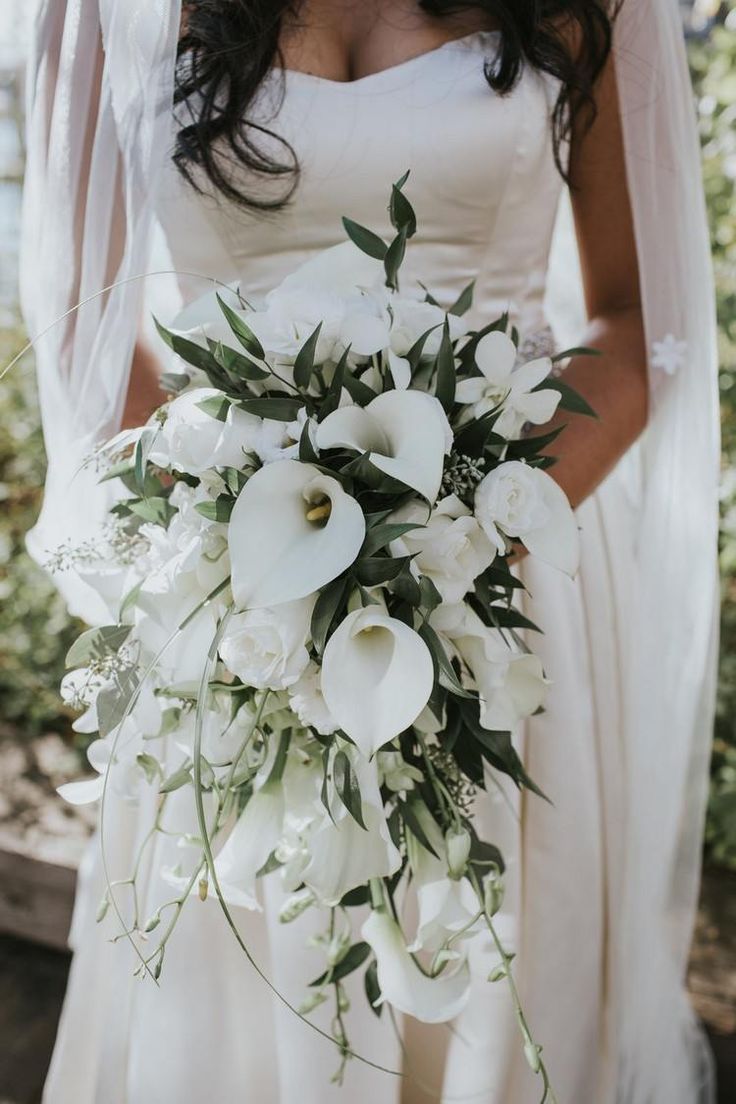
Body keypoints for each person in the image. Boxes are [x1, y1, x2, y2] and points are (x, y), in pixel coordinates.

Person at [20, 2, 720, 1102]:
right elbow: (87, 324)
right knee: (247, 986)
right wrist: (221, 538)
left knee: (492, 988)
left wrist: (467, 537)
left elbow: (639, 323)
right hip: (236, 607)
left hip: (502, 597)